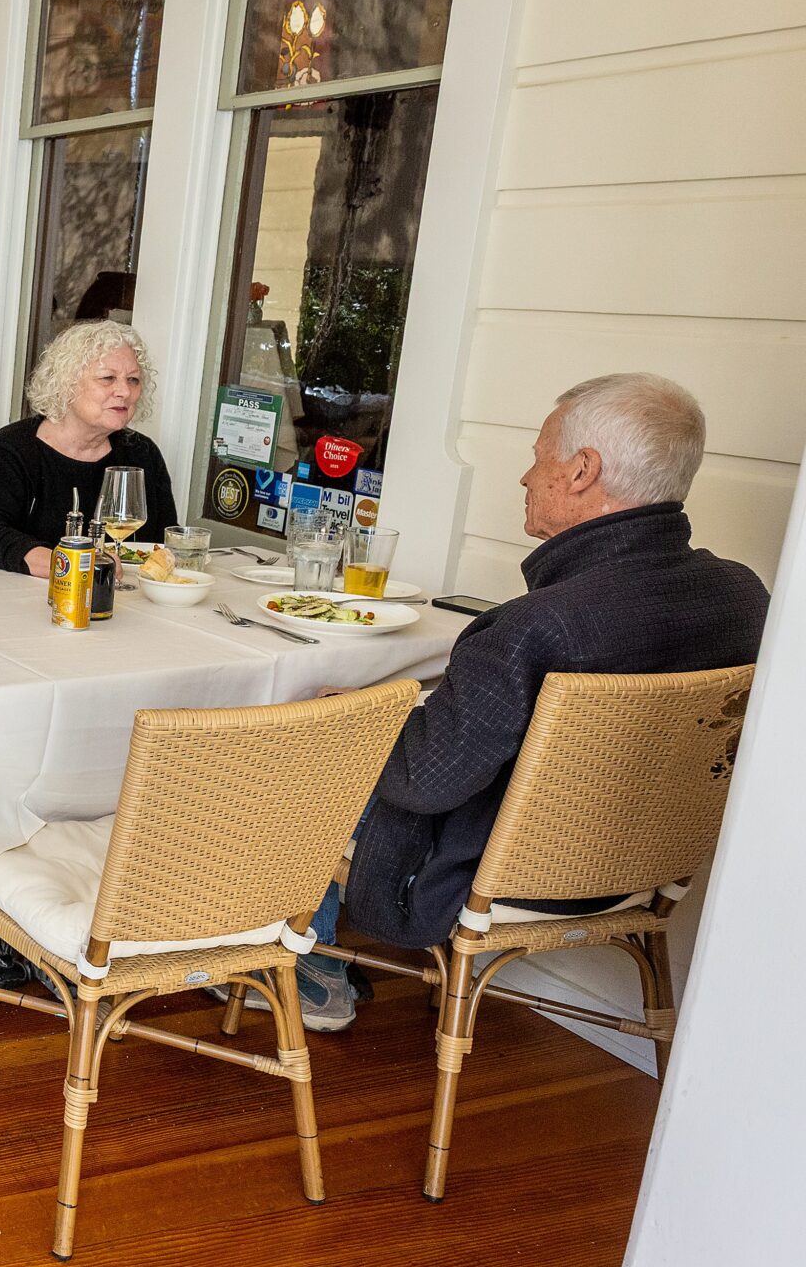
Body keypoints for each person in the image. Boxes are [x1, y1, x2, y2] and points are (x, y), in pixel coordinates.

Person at [271, 373, 768, 1032]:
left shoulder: (536, 627)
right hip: (641, 871)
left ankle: (307, 969)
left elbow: (426, 780)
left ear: (584, 471)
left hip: (489, 880)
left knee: (291, 741)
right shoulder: (744, 598)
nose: (526, 479)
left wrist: (356, 720)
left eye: (539, 458)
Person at [0, 319, 176, 576]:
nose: (124, 391)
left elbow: (164, 542)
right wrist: (73, 566)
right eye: (108, 378)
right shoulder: (15, 448)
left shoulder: (142, 454)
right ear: (65, 385)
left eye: (134, 380)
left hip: (109, 599)